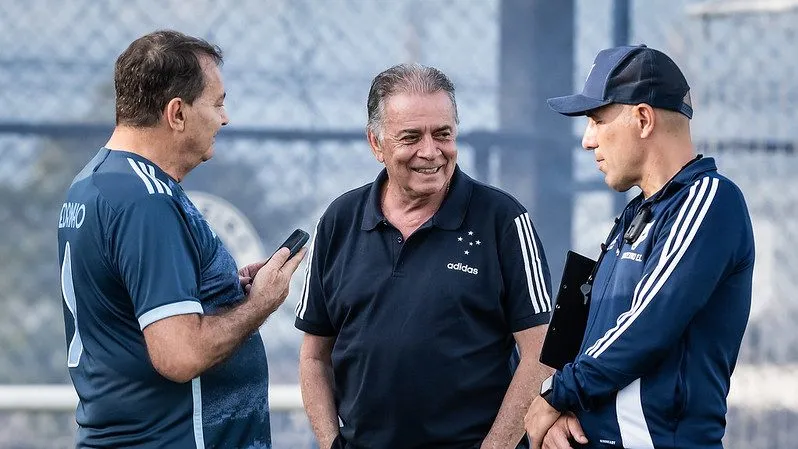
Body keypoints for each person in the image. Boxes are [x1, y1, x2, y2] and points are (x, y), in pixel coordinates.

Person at [56, 30, 306, 448]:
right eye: (217, 103)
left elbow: (131, 304)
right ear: (176, 113)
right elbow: (180, 355)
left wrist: (222, 292)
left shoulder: (95, 182)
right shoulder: (145, 200)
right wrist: (262, 302)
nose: (225, 118)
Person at [294, 63, 555, 449]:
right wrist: (332, 442)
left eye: (443, 134)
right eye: (411, 137)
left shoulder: (503, 220)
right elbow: (314, 358)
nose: (430, 152)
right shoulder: (339, 220)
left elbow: (540, 353)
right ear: (376, 143)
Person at [524, 44, 754, 449]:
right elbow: (593, 334)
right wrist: (563, 410)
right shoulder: (637, 212)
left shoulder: (710, 199)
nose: (588, 141)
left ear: (643, 119)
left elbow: (647, 324)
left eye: (597, 120)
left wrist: (557, 394)